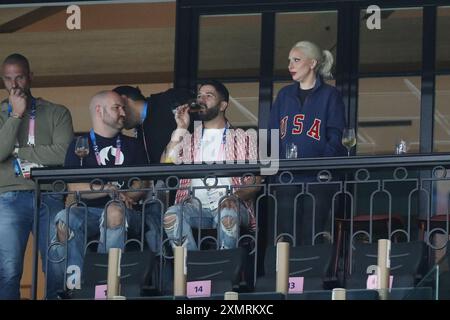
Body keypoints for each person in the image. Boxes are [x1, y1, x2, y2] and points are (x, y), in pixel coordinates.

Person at [49, 91, 160, 296]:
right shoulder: (79, 145)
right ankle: (76, 286)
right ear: (99, 111)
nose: (122, 113)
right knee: (62, 219)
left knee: (114, 210)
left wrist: (125, 196)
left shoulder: (133, 144)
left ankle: (103, 284)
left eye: (123, 108)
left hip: (129, 212)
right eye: (116, 107)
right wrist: (108, 189)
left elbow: (142, 184)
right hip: (88, 212)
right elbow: (74, 187)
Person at [0, 53, 74, 299]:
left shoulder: (56, 112)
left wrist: (17, 151)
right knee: (8, 270)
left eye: (19, 77)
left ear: (30, 77)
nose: (14, 85)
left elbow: (64, 153)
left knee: (55, 265)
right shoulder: (2, 114)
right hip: (8, 197)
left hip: (50, 195)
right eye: (8, 79)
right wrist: (15, 116)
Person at [161, 80, 261, 250]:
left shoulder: (243, 138)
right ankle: (189, 269)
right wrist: (180, 128)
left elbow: (255, 181)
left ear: (223, 105)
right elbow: (166, 164)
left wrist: (234, 197)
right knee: (172, 216)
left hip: (231, 205)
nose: (202, 99)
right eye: (199, 96)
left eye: (209, 96)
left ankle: (224, 271)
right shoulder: (188, 139)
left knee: (227, 216)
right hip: (194, 207)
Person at [268, 41, 346, 245]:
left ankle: (309, 274)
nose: (290, 66)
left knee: (313, 232)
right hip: (287, 177)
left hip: (318, 178)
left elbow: (335, 135)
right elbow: (272, 134)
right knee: (286, 233)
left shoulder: (331, 95)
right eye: (289, 61)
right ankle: (286, 274)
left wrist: (323, 168)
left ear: (312, 63)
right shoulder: (284, 95)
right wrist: (274, 169)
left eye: (296, 60)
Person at [112, 85, 194, 164]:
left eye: (116, 108)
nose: (117, 115)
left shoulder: (169, 99)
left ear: (123, 100)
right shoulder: (140, 131)